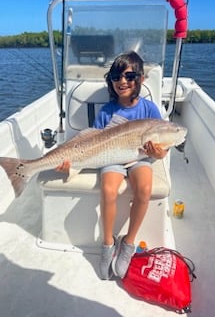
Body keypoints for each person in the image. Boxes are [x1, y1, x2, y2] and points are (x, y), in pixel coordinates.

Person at [56, 51, 167, 280]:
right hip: (111, 158)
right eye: (116, 77)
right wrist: (70, 163)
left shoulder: (150, 110)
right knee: (108, 190)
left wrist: (158, 153)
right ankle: (107, 245)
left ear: (141, 79)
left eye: (129, 76)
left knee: (144, 190)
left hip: (140, 158)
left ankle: (128, 243)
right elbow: (91, 139)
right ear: (111, 81)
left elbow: (162, 150)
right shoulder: (107, 111)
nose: (122, 82)